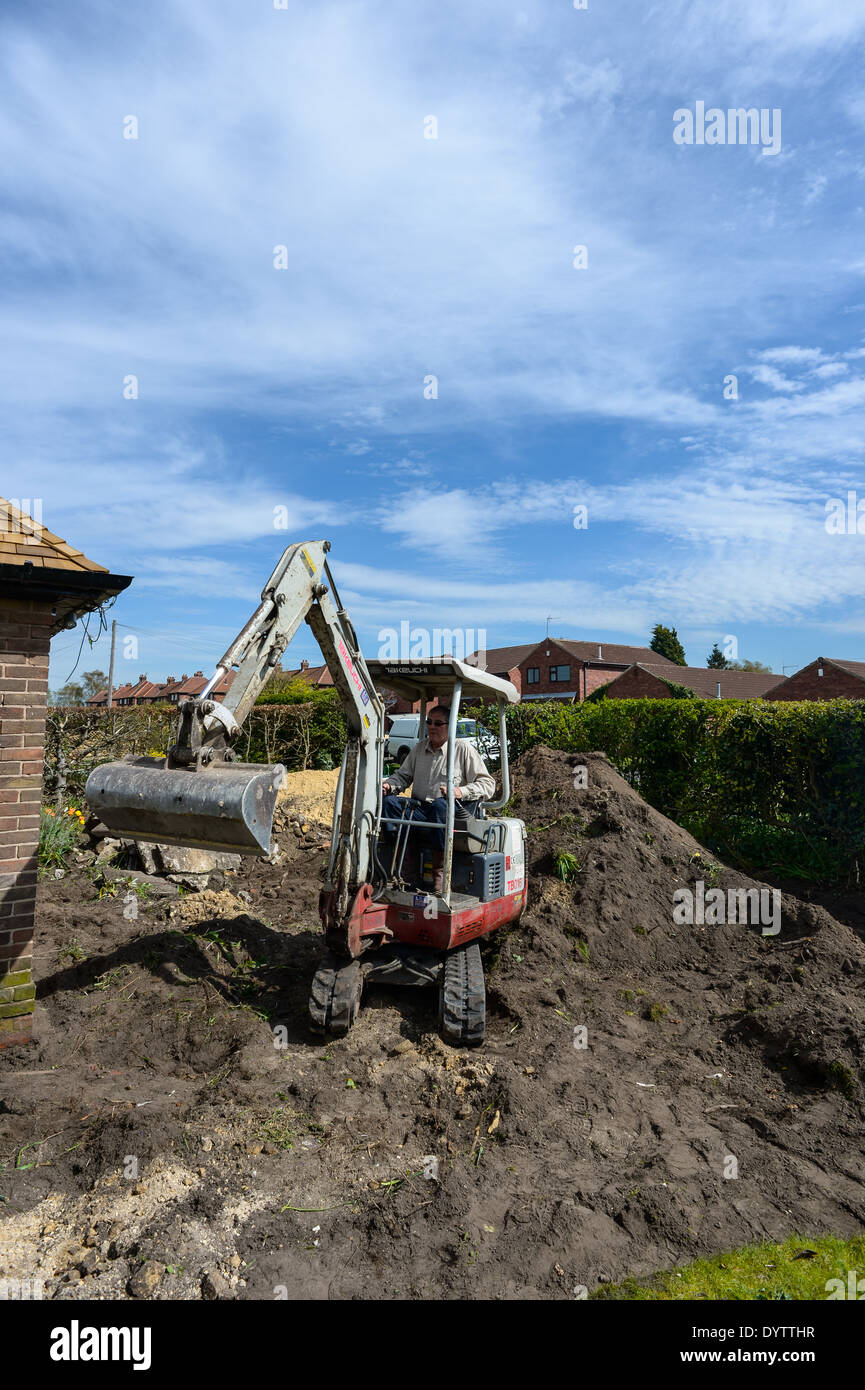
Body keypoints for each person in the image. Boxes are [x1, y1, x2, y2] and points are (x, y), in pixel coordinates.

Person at [381, 707, 495, 893]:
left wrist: (460, 791)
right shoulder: (419, 748)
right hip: (420, 810)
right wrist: (389, 786)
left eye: (438, 723)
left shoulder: (462, 749)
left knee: (441, 806)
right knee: (390, 804)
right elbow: (402, 776)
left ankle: (440, 875)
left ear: (449, 726)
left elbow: (488, 784)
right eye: (429, 722)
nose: (432, 727)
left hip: (450, 813)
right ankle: (407, 873)